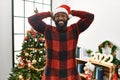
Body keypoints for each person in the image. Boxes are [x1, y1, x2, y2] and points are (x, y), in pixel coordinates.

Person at [28, 4, 94, 80]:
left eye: (63, 15)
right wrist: (48, 14)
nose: (60, 18)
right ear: (54, 19)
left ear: (67, 18)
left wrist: (72, 12)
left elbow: (90, 17)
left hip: (70, 72)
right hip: (51, 73)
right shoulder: (47, 30)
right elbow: (32, 20)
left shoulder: (75, 29)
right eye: (57, 16)